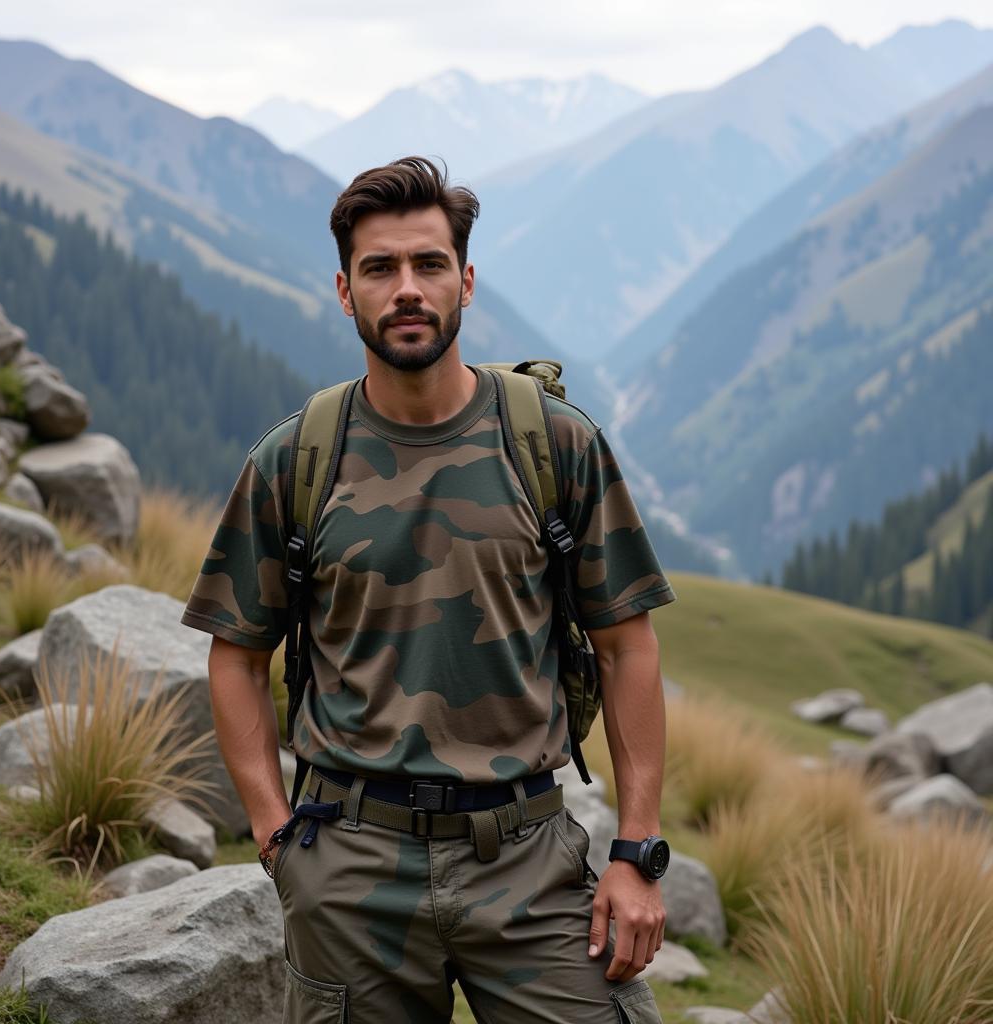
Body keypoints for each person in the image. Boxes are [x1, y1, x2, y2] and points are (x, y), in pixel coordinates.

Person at [181, 156, 676, 1024]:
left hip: (526, 860)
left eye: (428, 265)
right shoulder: (294, 460)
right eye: (380, 269)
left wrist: (635, 852)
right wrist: (276, 838)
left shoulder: (555, 444)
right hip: (350, 869)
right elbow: (236, 654)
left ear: (466, 281)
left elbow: (627, 646)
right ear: (345, 291)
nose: (406, 289)